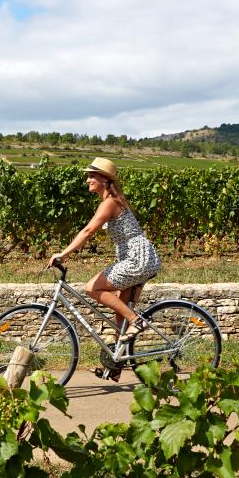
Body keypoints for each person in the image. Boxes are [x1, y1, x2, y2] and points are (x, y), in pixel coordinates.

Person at [48, 157, 161, 380]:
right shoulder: (112, 200)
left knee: (92, 288)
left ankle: (137, 320)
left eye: (92, 176)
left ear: (104, 179)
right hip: (134, 256)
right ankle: (116, 364)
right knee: (119, 310)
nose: (88, 179)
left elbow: (89, 230)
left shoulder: (109, 202)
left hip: (137, 258)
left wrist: (63, 254)